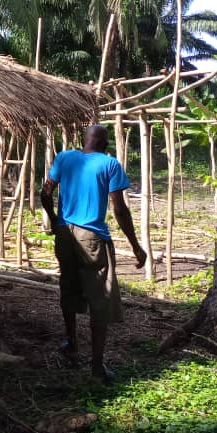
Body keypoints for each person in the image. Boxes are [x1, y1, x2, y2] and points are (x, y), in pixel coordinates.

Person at [41, 124, 147, 382]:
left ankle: (72, 343)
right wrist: (135, 245)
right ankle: (97, 367)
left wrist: (55, 220)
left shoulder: (64, 157)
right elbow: (119, 209)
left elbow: (45, 192)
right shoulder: (109, 164)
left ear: (84, 140)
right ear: (105, 144)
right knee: (101, 297)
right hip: (92, 237)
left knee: (68, 286)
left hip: (65, 235)